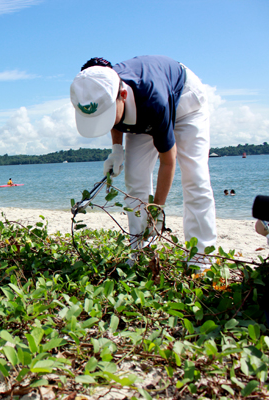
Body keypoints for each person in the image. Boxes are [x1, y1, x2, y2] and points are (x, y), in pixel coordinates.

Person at [70, 56, 216, 260]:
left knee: (195, 179)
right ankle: (139, 252)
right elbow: (112, 117)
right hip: (137, 107)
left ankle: (201, 259)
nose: (107, 121)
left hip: (184, 99)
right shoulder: (96, 88)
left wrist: (157, 209)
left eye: (109, 114)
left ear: (121, 95)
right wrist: (116, 149)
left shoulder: (153, 100)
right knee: (134, 179)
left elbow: (168, 161)